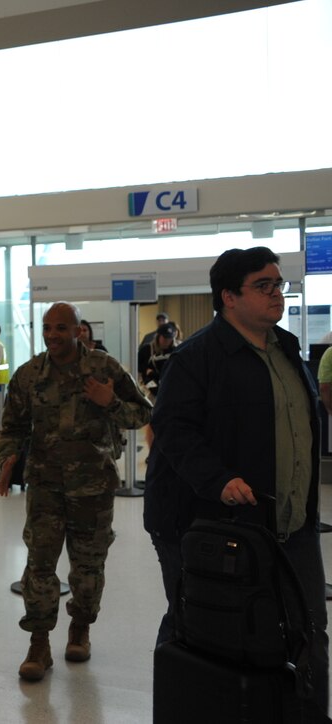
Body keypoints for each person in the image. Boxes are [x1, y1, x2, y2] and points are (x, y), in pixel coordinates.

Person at [144, 247, 329, 722]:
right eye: (262, 285)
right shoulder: (196, 358)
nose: (276, 294)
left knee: (309, 628)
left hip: (291, 523)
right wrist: (220, 479)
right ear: (228, 296)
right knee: (200, 625)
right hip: (209, 524)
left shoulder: (287, 350)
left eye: (278, 284)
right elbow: (172, 428)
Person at [0, 302, 151, 682]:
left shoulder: (103, 368)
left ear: (78, 330)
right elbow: (12, 424)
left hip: (93, 488)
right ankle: (38, 643)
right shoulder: (30, 374)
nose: (52, 335)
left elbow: (143, 413)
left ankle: (80, 628)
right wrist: (8, 458)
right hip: (45, 488)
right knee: (39, 565)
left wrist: (108, 401)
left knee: (87, 567)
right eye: (47, 328)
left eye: (61, 328)